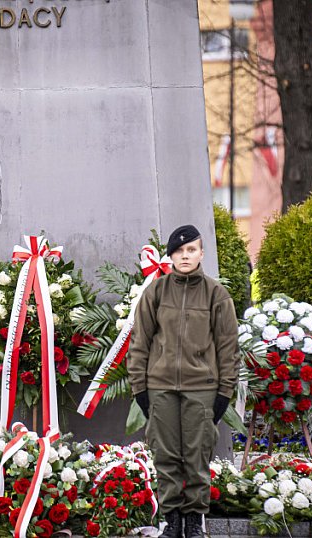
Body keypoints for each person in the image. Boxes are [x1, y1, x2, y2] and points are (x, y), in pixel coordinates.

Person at [128, 225, 239, 538]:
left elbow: (228, 347)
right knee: (165, 456)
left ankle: (193, 521)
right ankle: (172, 520)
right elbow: (140, 342)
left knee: (197, 456)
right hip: (160, 388)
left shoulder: (217, 294)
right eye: (179, 251)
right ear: (171, 256)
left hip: (202, 389)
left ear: (201, 253)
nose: (185, 255)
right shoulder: (156, 292)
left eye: (191, 250)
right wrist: (140, 388)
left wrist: (224, 393)